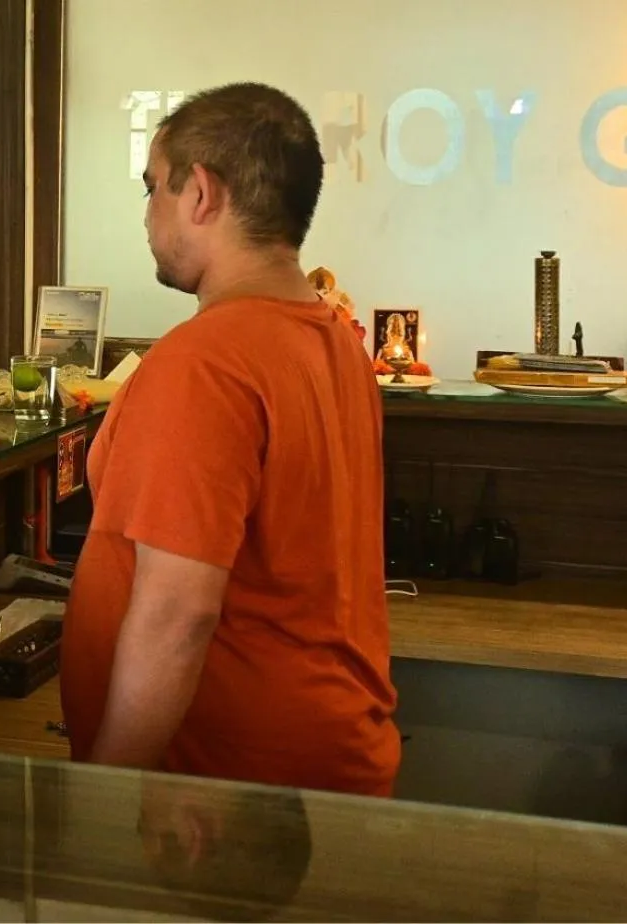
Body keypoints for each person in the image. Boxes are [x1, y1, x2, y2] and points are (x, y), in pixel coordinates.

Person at [59, 83, 400, 797]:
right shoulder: (336, 342)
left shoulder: (205, 362)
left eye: (154, 188)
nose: (148, 213)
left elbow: (177, 614)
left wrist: (100, 801)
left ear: (201, 195)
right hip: (323, 754)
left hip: (222, 797)